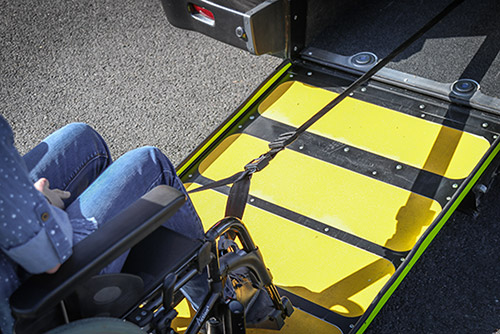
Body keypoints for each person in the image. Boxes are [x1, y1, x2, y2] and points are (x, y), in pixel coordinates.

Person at [0, 115, 205, 333]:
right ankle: (210, 306)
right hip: (33, 299)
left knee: (84, 140)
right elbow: (49, 256)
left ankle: (124, 255)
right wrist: (43, 204)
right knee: (150, 162)